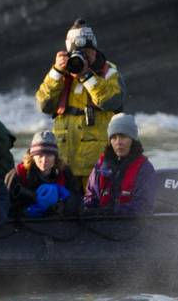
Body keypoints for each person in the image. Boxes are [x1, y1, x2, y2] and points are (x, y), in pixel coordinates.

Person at [35, 19, 125, 189]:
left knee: (92, 208)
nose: (84, 56)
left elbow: (110, 101)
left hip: (96, 170)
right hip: (63, 167)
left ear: (95, 49)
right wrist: (56, 72)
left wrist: (86, 75)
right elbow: (43, 105)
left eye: (88, 51)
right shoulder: (61, 74)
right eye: (78, 52)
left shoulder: (109, 72)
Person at [83, 113, 156, 215]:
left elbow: (144, 206)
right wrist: (89, 210)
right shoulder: (100, 166)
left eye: (123, 136)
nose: (118, 142)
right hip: (100, 224)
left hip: (131, 226)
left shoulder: (144, 168)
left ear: (132, 139)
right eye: (114, 137)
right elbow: (90, 197)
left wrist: (114, 211)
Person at [4, 131, 82, 218]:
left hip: (57, 225)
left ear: (55, 157)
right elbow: (4, 209)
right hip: (26, 226)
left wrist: (64, 205)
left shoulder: (65, 173)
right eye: (40, 155)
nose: (44, 160)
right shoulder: (17, 175)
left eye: (49, 155)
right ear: (32, 156)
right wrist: (24, 212)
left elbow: (79, 204)